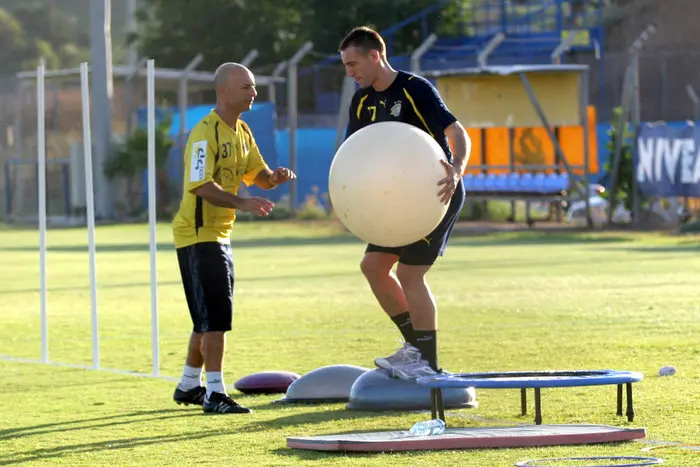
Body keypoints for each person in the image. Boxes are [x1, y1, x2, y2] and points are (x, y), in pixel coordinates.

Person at [339, 26, 471, 381]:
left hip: (435, 195)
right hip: (393, 203)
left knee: (409, 274)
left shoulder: (415, 89)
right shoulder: (362, 101)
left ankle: (426, 361)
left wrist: (456, 171)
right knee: (373, 267)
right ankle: (416, 349)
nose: (350, 73)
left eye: (353, 64)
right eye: (346, 67)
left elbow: (457, 133)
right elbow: (356, 155)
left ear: (374, 55)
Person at [171, 62, 296, 414]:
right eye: (246, 87)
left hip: (219, 235)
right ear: (223, 90)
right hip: (198, 235)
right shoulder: (203, 133)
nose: (253, 92)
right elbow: (200, 184)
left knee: (207, 316)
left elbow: (260, 175)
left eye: (254, 86)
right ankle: (215, 394)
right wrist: (242, 201)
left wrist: (276, 177)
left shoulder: (242, 132)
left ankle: (188, 385)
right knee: (216, 318)